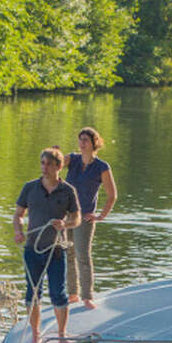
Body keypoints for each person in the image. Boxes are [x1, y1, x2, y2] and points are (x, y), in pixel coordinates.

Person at [13, 146, 81, 343]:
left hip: (56, 250)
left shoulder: (68, 191)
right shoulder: (30, 187)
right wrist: (18, 230)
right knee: (33, 292)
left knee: (58, 293)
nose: (45, 167)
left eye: (49, 164)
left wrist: (65, 224)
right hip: (32, 248)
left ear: (59, 166)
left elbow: (77, 218)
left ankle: (61, 335)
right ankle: (36, 335)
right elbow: (18, 214)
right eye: (42, 163)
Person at [63, 127, 117, 309]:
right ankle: (72, 294)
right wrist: (56, 154)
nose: (81, 143)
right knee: (68, 254)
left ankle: (87, 296)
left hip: (84, 217)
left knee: (82, 255)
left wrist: (101, 215)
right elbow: (55, 165)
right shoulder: (72, 159)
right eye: (80, 139)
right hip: (66, 214)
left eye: (85, 140)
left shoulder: (102, 167)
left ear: (94, 143)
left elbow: (112, 195)